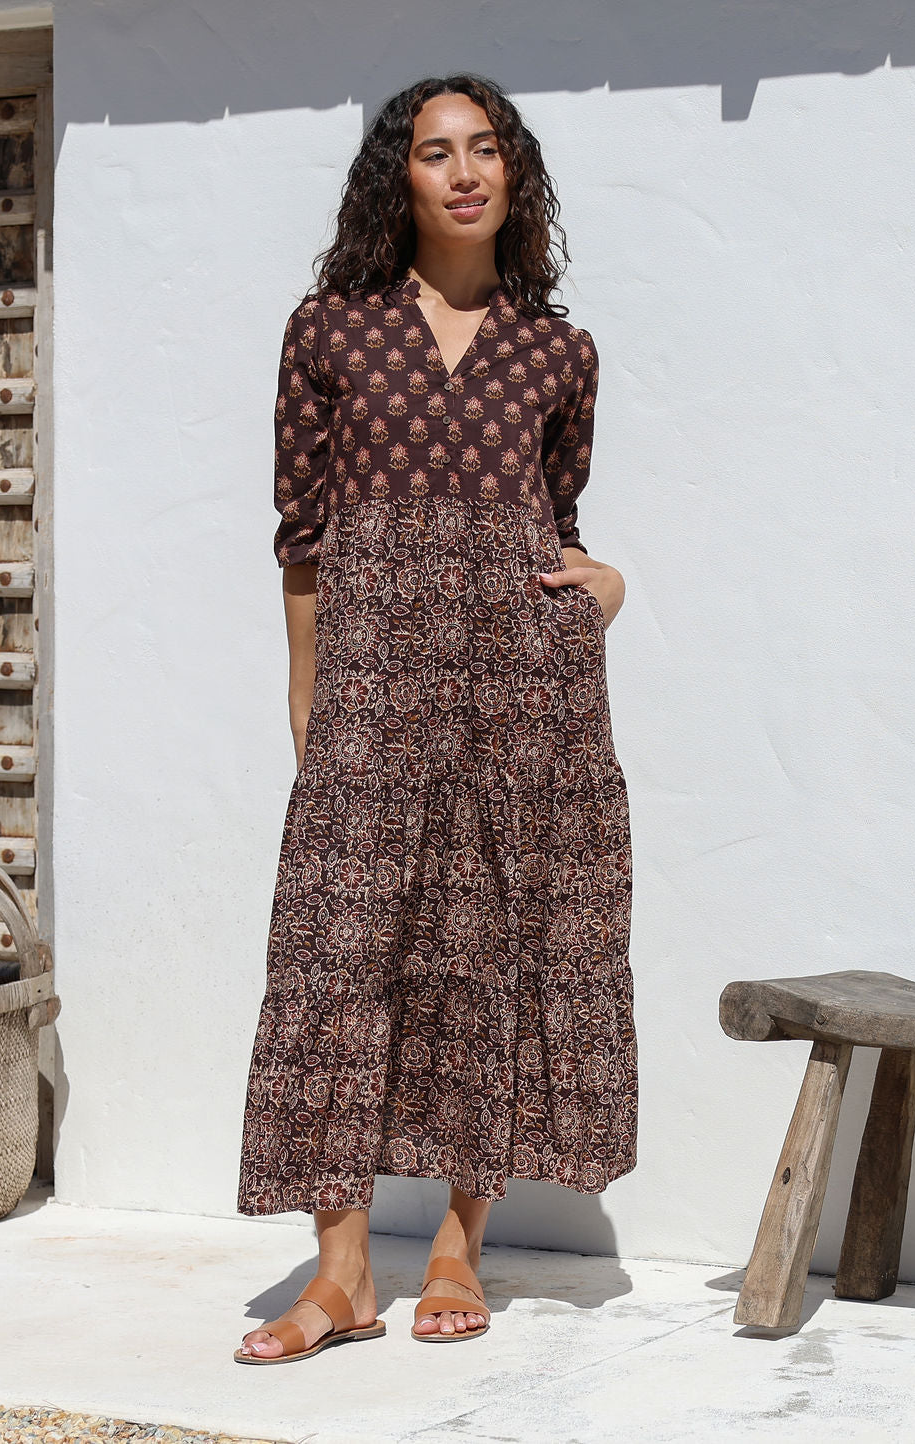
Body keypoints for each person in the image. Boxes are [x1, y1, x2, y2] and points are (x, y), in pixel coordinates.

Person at [235, 72, 637, 1365]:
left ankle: (462, 1238)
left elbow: (557, 531)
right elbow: (302, 541)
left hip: (520, 696)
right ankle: (343, 1269)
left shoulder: (557, 352)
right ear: (395, 181)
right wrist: (309, 692)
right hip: (376, 678)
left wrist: (607, 586)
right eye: (432, 152)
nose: (462, 172)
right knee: (333, 961)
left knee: (491, 947)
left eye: (485, 150)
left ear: (513, 176)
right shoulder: (332, 330)